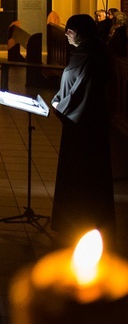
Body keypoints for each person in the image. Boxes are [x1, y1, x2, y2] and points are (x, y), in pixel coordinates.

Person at [51, 14, 115, 246]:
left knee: (85, 177)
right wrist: (58, 98)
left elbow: (83, 93)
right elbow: (69, 83)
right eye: (66, 29)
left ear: (83, 33)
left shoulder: (94, 58)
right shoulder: (79, 53)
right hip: (73, 128)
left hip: (86, 129)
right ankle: (68, 220)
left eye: (71, 30)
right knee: (71, 174)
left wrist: (61, 106)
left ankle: (83, 222)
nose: (66, 33)